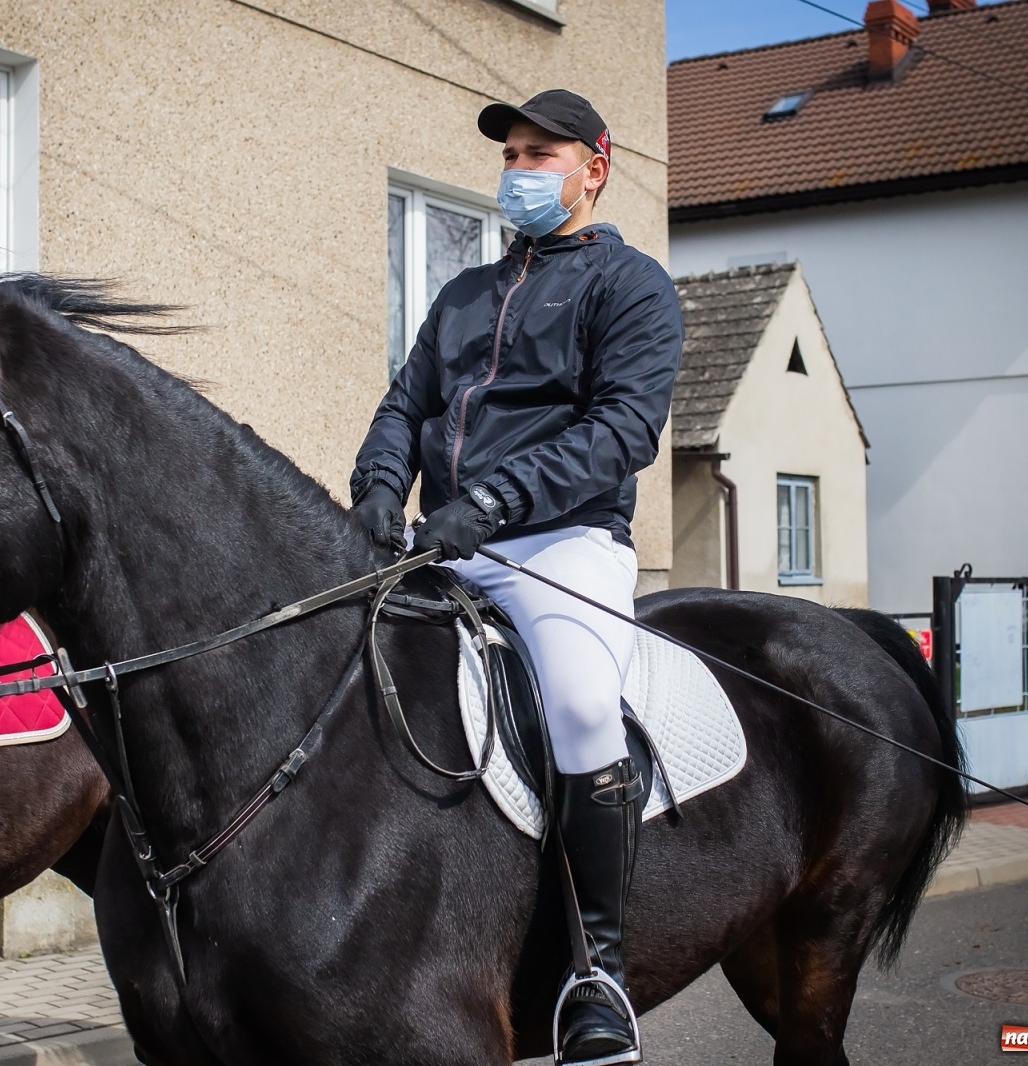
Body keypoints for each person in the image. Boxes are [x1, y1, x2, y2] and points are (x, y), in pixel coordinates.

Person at [350, 89, 682, 1064]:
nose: (521, 170)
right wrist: (376, 492)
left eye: (542, 153)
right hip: (445, 539)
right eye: (511, 155)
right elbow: (403, 406)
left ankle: (599, 974)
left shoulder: (631, 284)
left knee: (582, 705)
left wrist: (493, 504)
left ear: (594, 167)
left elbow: (623, 428)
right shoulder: (461, 293)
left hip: (561, 542)